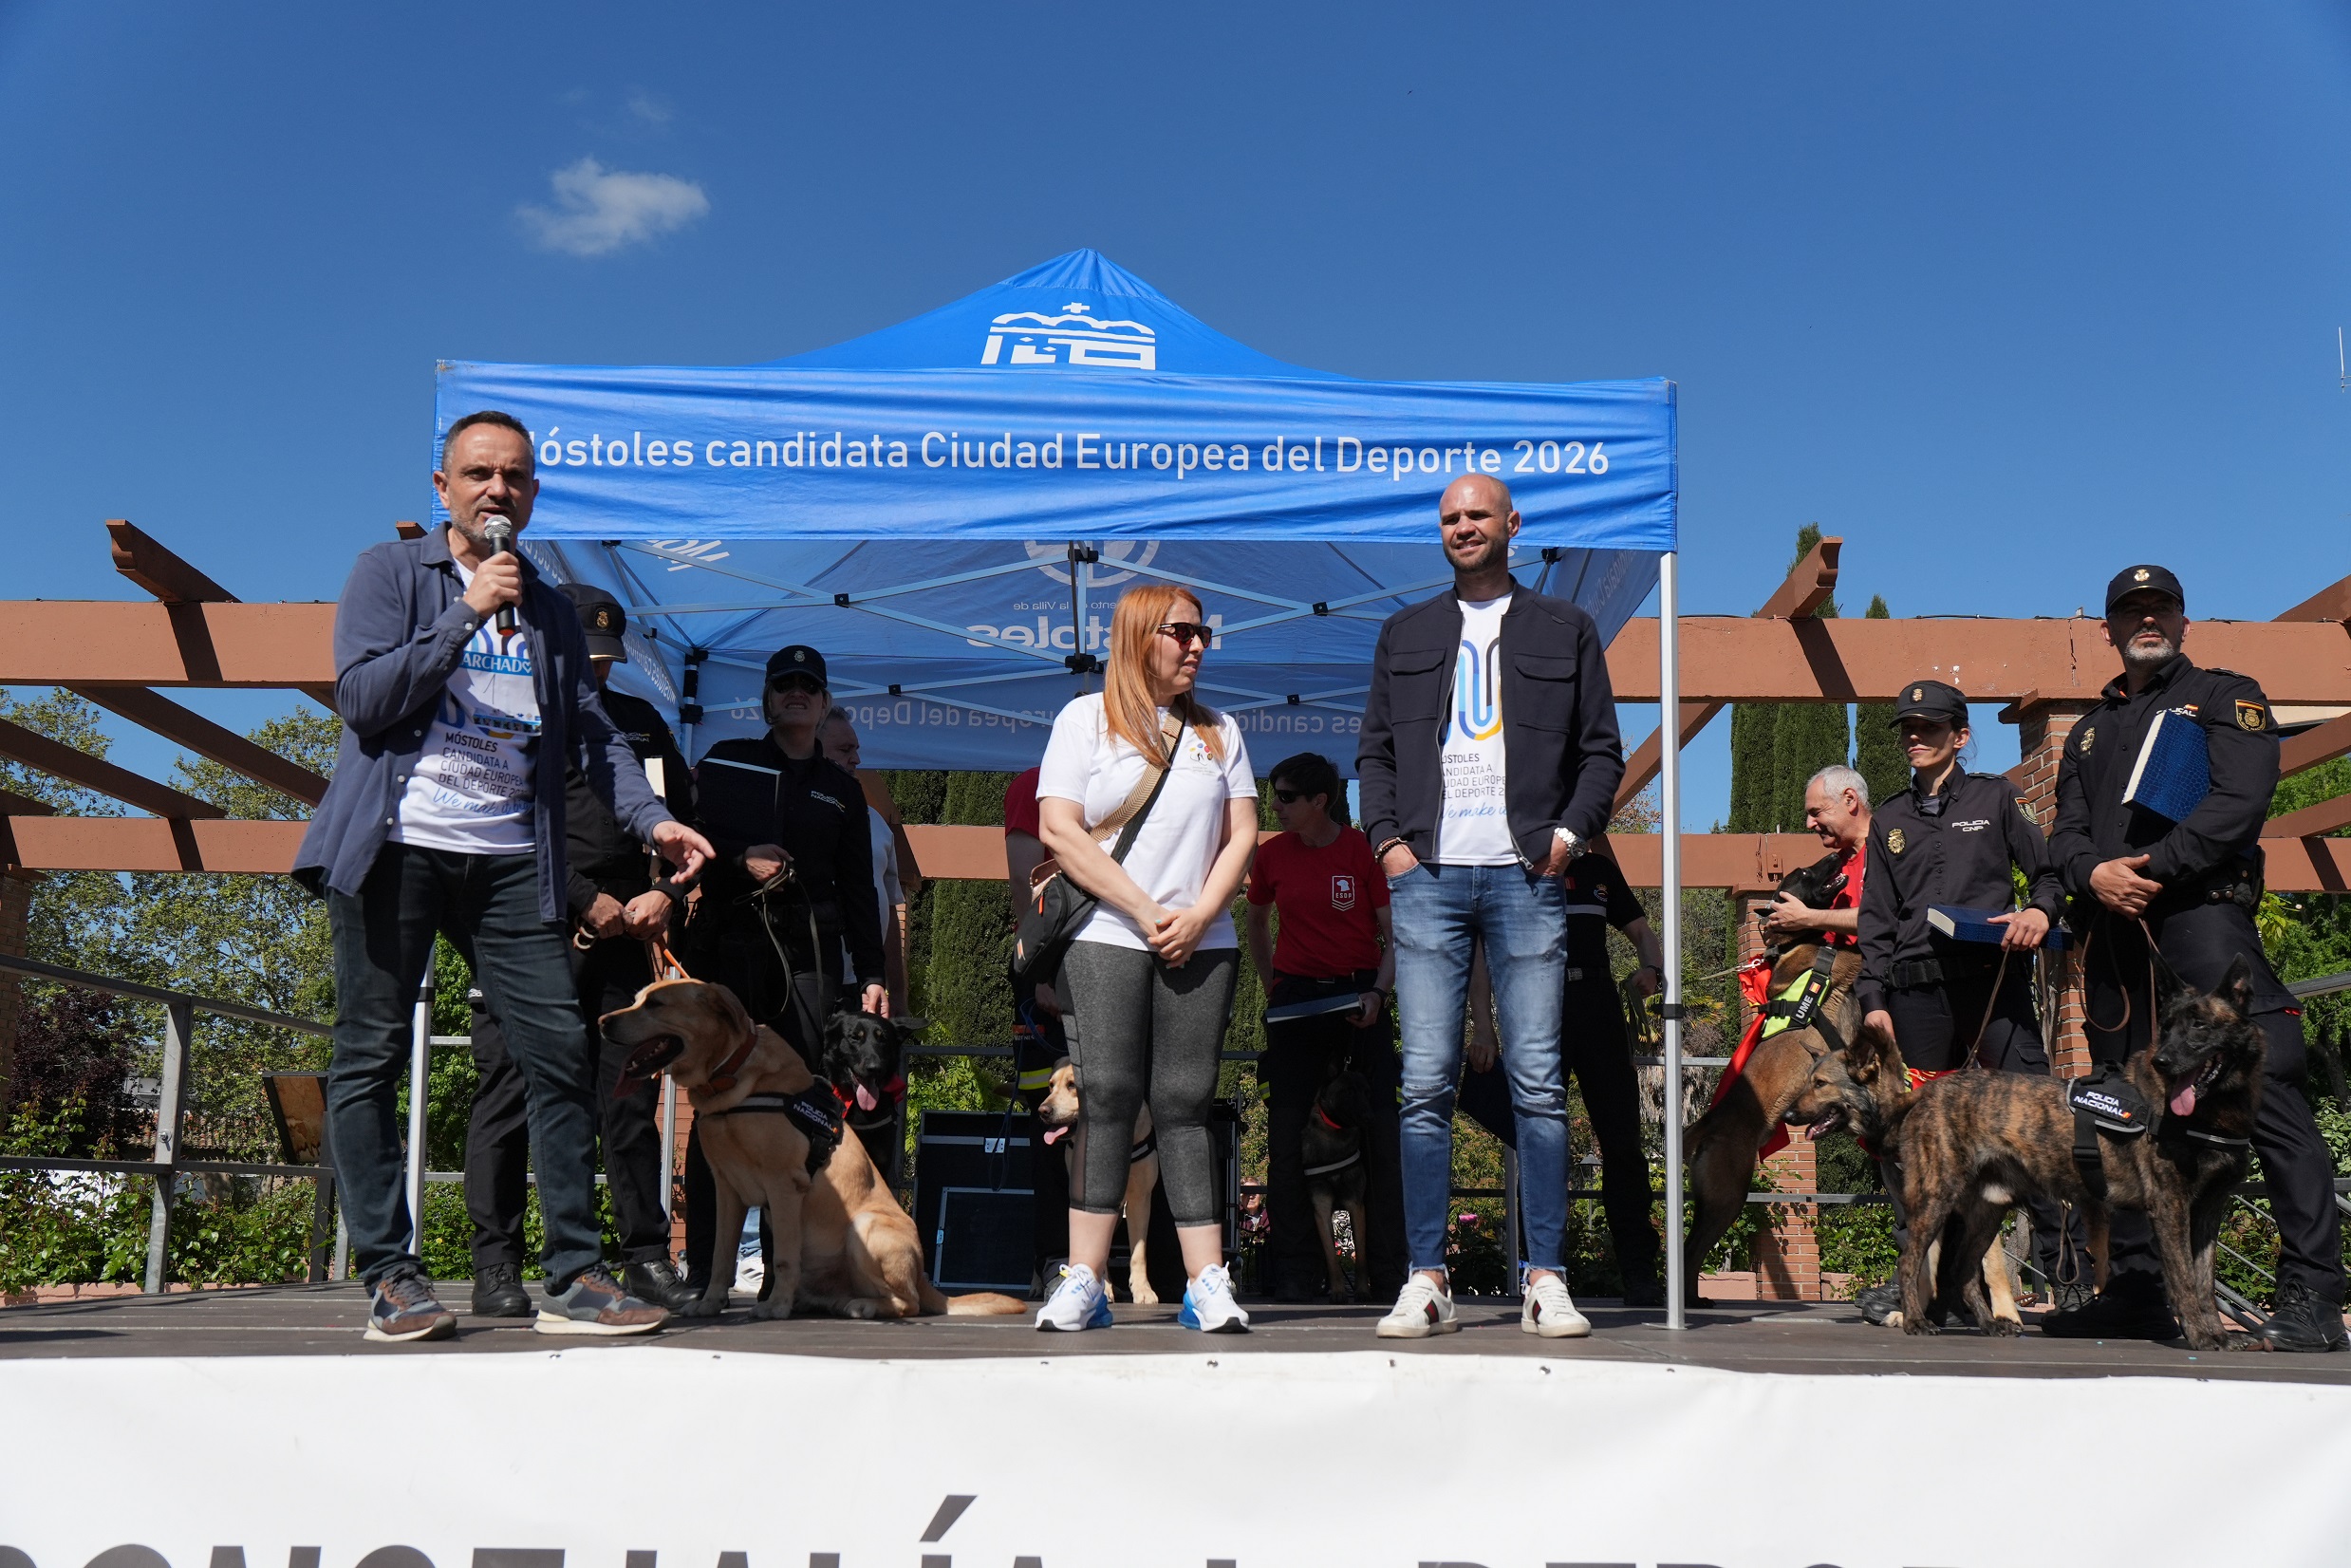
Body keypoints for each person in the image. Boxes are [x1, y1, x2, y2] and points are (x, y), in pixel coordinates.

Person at [292, 410, 714, 1342]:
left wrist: (653, 819)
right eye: (479, 473)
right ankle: (391, 1276)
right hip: (396, 848)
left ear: (532, 495)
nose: (497, 490)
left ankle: (572, 1273)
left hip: (511, 862)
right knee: (370, 1056)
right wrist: (466, 613)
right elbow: (362, 698)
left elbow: (595, 737)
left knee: (559, 1049)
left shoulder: (551, 610)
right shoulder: (389, 574)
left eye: (515, 476)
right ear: (441, 486)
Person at [2044, 565, 2345, 1351]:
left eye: (2161, 608)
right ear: (2107, 629)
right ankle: (2138, 1289)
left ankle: (2313, 1295)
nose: (2146, 619)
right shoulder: (2086, 732)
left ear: (2183, 621)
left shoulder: (2222, 695)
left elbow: (2239, 802)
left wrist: (2151, 868)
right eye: (2130, 610)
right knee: (2120, 1108)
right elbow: (2064, 834)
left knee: (2267, 1091)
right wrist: (2092, 875)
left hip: (2198, 922)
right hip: (2114, 936)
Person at [1357, 474, 1625, 1340]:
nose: (1462, 527)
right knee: (1424, 1085)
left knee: (1538, 1084)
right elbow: (1374, 752)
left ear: (1512, 524)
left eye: (1476, 515)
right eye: (1449, 518)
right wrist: (1388, 844)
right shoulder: (1404, 632)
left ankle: (1545, 1278)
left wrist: (1568, 837)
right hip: (1427, 876)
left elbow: (1601, 752)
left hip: (1527, 875)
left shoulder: (1565, 628)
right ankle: (1426, 1279)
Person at [463, 583, 700, 1317]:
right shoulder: (501, 714)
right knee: (508, 1092)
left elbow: (679, 824)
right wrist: (577, 896)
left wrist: (665, 894)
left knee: (627, 1096)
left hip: (625, 931)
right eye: (583, 652)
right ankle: (496, 1265)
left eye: (604, 657)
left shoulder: (641, 724)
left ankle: (645, 1257)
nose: (594, 668)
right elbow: (492, 824)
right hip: (528, 921)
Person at [1032, 584, 1259, 1333]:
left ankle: (1205, 1282)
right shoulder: (1083, 719)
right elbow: (1058, 829)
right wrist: (1142, 908)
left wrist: (1200, 914)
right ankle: (1084, 1280)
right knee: (1106, 1097)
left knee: (1184, 1103)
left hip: (1202, 937)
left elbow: (1243, 834)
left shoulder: (1220, 729)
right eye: (1180, 632)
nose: (1196, 646)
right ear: (1137, 637)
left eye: (1202, 635)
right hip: (1107, 931)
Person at [1851, 681, 2085, 1324]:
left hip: (1991, 983)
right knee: (1918, 1142)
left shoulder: (1996, 797)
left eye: (1928, 727)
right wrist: (1873, 1000)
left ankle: (2071, 1282)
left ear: (1959, 736)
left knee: (2040, 1125)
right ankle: (1927, 1288)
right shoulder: (1889, 819)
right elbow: (1875, 920)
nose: (1914, 737)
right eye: (1907, 728)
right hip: (1914, 994)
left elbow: (2047, 873)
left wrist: (2040, 910)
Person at [677, 644, 889, 1294]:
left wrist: (873, 974)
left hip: (808, 961)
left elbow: (860, 889)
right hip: (729, 953)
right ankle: (703, 1268)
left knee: (797, 1110)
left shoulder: (842, 789)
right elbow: (684, 836)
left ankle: (782, 1276)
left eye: (808, 686)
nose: (797, 693)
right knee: (716, 1104)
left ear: (823, 703)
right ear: (767, 700)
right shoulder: (725, 760)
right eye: (784, 685)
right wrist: (739, 856)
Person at [1456, 849, 1666, 1304]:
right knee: (1538, 1140)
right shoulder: (1510, 868)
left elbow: (1642, 933)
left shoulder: (1599, 870)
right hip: (1535, 1005)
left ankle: (1639, 1273)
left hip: (1598, 1006)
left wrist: (1653, 969)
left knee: (1622, 1142)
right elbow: (1480, 952)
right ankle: (1539, 1273)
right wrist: (1483, 1027)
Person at [1243, 750, 1407, 1303]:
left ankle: (1386, 1273)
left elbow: (1395, 935)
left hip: (1359, 996)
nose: (1276, 806)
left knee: (1380, 1130)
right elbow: (1256, 921)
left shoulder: (1361, 851)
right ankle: (1296, 1272)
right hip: (1294, 1002)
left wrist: (1378, 993)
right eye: (1274, 795)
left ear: (1321, 800)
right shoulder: (1272, 855)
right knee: (1288, 1135)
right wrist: (1273, 984)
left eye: (1287, 797)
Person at [1004, 762, 1073, 1296]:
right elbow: (1025, 886)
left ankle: (1136, 1264)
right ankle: (1054, 1260)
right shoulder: (1034, 785)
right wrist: (1043, 970)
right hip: (1049, 971)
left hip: (1119, 964)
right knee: (1048, 1119)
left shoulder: (1135, 779)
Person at [1762, 764, 1872, 950]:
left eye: (1816, 813)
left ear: (1850, 799)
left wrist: (1808, 917)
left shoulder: (1896, 850)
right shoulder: (1835, 870)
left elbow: (1887, 917)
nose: (1809, 824)